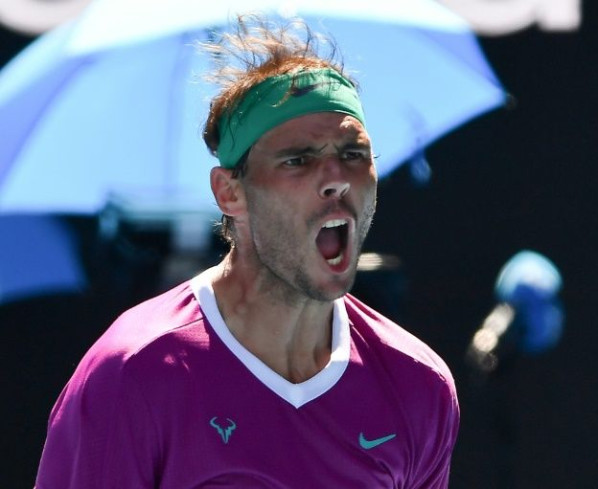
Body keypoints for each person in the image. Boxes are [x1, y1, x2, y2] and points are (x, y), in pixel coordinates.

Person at [35, 16, 459, 488]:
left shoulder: (419, 385)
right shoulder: (133, 371)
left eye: (354, 153)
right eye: (299, 159)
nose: (337, 176)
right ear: (230, 193)